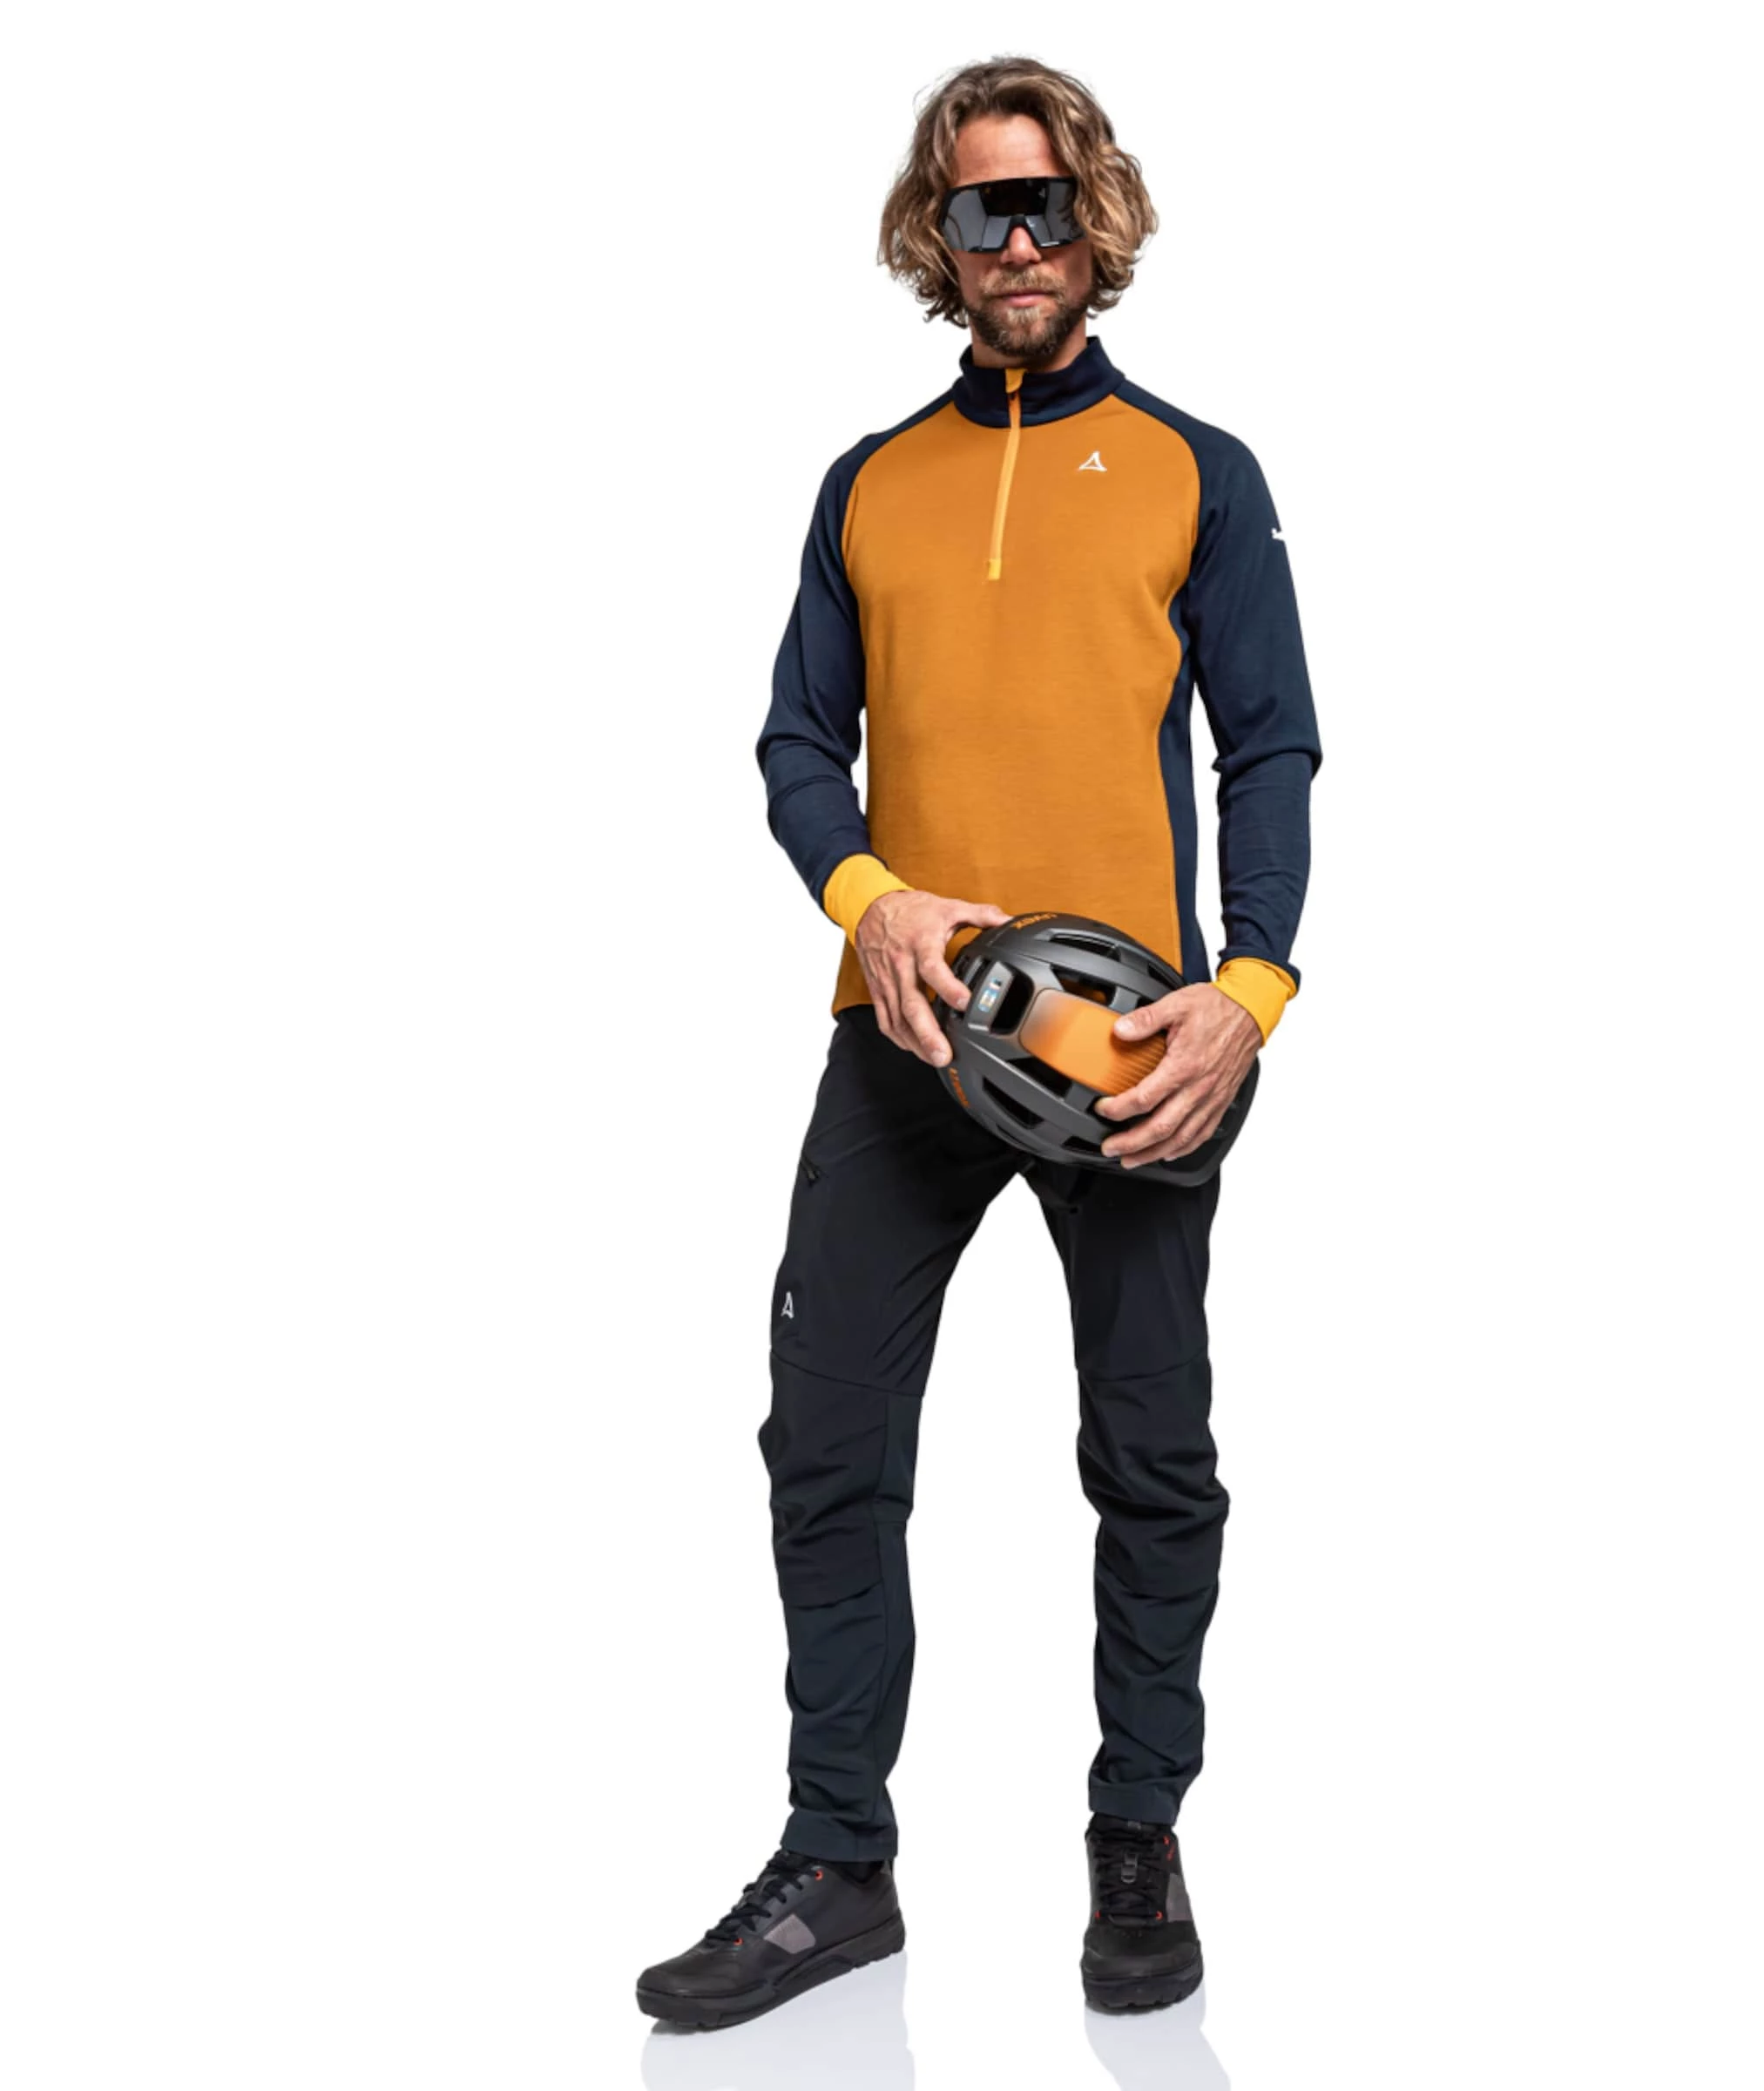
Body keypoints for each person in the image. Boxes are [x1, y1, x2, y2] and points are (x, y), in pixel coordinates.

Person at [636, 54, 1321, 2028]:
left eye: (1042, 204)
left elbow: (1273, 749)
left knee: (1153, 1458)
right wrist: (869, 898)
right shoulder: (868, 484)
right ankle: (836, 1864)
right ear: (933, 236)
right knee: (826, 1442)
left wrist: (1249, 995)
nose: (1013, 242)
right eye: (976, 209)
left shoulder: (1200, 471)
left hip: (1127, 1054)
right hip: (906, 1036)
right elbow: (796, 743)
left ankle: (1139, 1838)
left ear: (1093, 220)